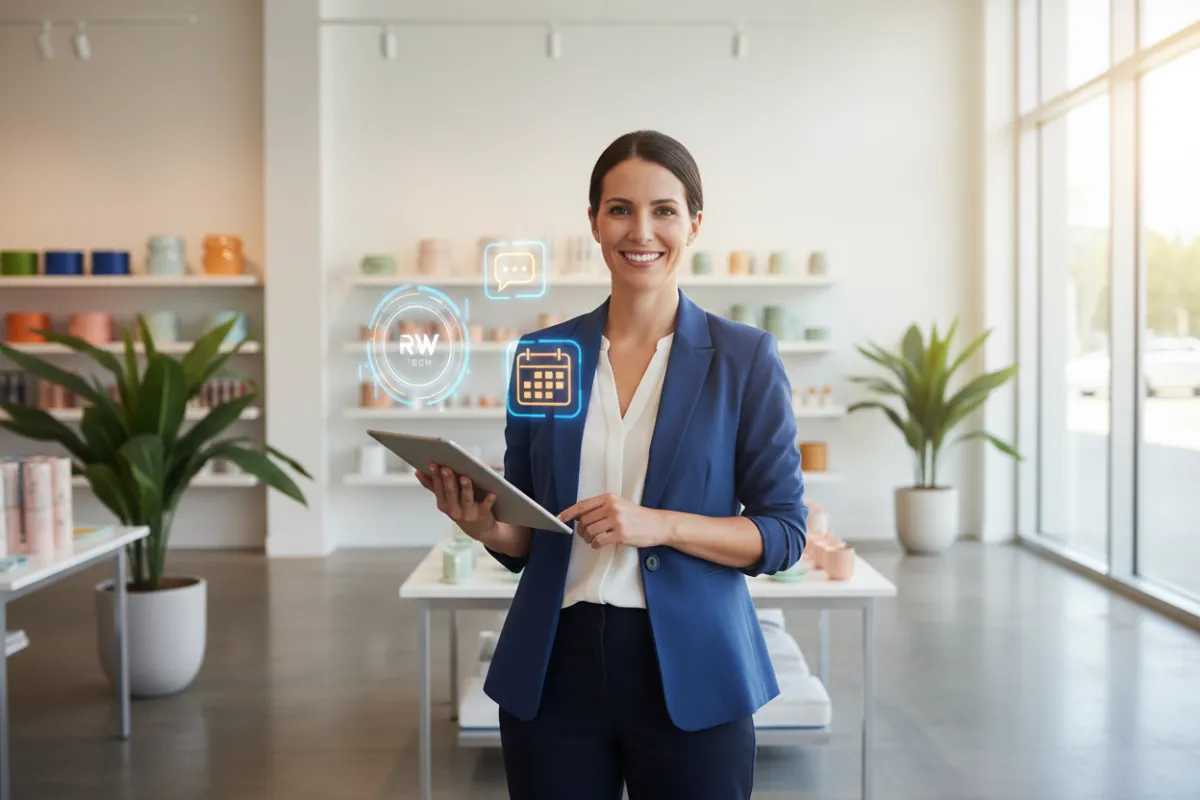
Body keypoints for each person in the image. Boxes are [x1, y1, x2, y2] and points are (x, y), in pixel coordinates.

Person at [415, 130, 807, 800]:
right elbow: (533, 536)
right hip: (555, 667)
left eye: (663, 210)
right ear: (594, 222)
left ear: (694, 224)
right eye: (620, 209)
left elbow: (783, 536)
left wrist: (658, 525)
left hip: (693, 668)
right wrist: (484, 525)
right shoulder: (545, 356)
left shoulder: (744, 360)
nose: (641, 230)